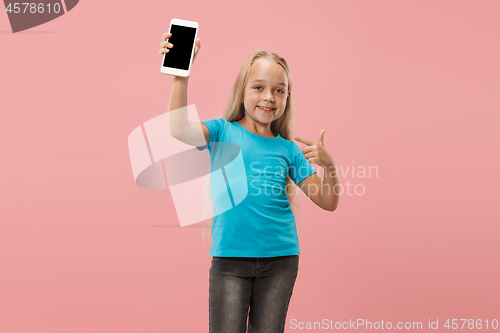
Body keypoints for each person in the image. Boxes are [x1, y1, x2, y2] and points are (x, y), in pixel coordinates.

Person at [159, 32, 340, 333]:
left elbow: (328, 201)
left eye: (279, 91)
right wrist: (181, 73)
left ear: (287, 98)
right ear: (242, 91)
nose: (269, 97)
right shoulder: (221, 132)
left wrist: (330, 166)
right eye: (259, 87)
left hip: (281, 261)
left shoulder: (289, 150)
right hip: (230, 261)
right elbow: (178, 129)